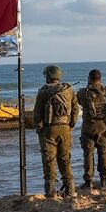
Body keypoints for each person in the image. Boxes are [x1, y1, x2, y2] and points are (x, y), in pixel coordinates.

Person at [33, 64, 79, 197]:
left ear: (48, 76)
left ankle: (50, 191)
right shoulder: (69, 90)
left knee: (49, 160)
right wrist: (71, 124)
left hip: (49, 130)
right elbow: (75, 109)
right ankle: (70, 190)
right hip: (65, 128)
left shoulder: (43, 92)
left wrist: (39, 128)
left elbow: (37, 114)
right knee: (65, 159)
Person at [76, 69, 106, 189]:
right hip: (102, 126)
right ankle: (104, 179)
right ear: (100, 78)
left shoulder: (82, 92)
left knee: (88, 154)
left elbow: (79, 101)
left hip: (88, 126)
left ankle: (89, 181)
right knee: (103, 152)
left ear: (89, 78)